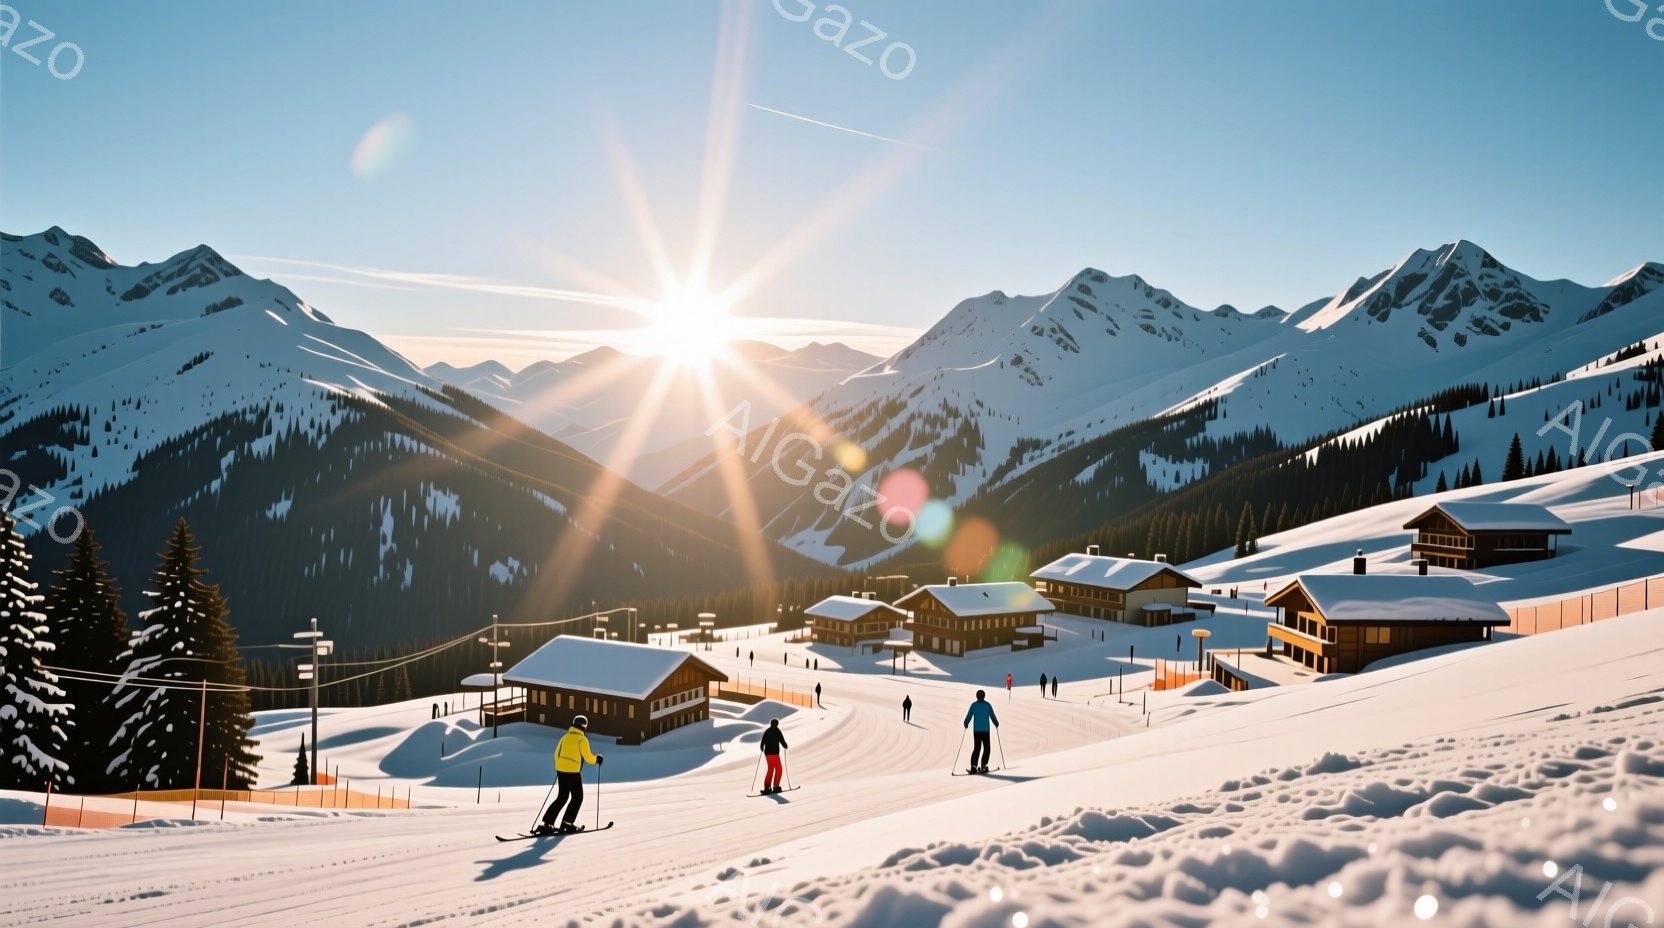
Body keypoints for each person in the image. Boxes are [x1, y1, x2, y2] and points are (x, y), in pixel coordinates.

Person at [536, 715, 603, 835]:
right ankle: (567, 823)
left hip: (561, 771)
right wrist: (597, 759)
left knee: (562, 797)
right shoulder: (582, 740)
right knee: (577, 797)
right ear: (584, 726)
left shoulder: (565, 737)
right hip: (573, 772)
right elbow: (588, 757)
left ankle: (548, 824)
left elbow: (556, 754)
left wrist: (559, 768)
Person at [962, 690, 999, 773]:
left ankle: (973, 766)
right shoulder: (987, 705)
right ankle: (983, 765)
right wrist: (996, 723)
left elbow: (969, 715)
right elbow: (992, 715)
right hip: (985, 730)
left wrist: (966, 723)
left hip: (977, 731)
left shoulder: (974, 705)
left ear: (977, 696)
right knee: (987, 748)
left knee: (977, 748)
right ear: (984, 696)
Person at [760, 719, 788, 793]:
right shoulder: (777, 731)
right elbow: (782, 740)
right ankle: (775, 786)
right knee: (779, 769)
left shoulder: (767, 731)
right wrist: (785, 745)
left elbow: (762, 741)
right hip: (775, 754)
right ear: (777, 724)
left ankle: (767, 788)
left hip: (768, 754)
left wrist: (762, 747)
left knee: (771, 769)